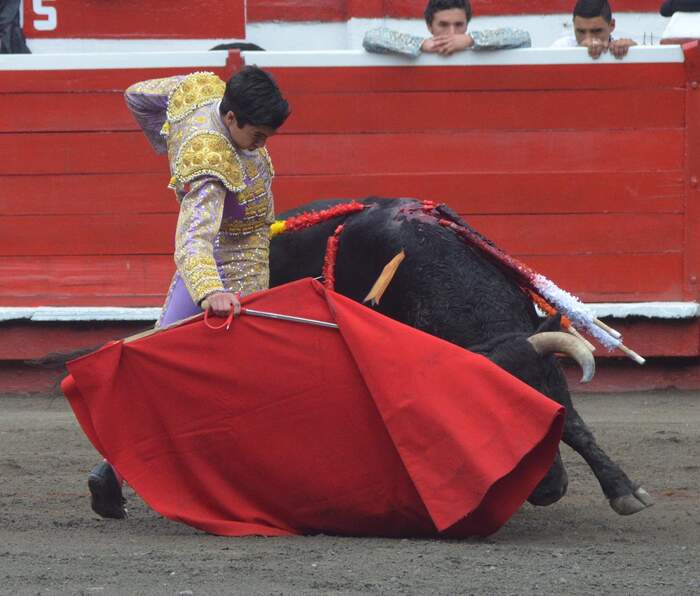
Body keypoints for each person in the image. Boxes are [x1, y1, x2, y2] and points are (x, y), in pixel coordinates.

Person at [87, 66, 290, 519]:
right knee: (236, 382)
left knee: (158, 365)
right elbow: (194, 240)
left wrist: (168, 147)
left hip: (211, 265)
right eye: (257, 135)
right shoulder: (210, 166)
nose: (261, 145)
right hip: (233, 266)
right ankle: (230, 487)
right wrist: (211, 291)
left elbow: (137, 95)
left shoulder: (200, 89)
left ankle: (113, 469)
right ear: (231, 117)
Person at [363, 0, 531, 57]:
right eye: (443, 25)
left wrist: (471, 39)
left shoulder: (473, 43)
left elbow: (524, 38)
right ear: (429, 26)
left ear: (467, 24)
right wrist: (420, 44)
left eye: (459, 25)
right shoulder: (420, 47)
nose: (452, 33)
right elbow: (371, 38)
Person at [551, 0, 637, 59]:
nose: (588, 39)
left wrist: (634, 52)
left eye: (596, 31)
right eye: (581, 31)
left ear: (612, 25)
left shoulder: (624, 47)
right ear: (574, 25)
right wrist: (580, 50)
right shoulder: (560, 47)